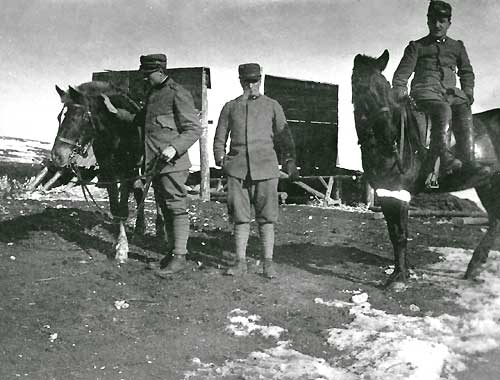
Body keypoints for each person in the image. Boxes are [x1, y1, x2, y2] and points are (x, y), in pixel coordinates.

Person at [213, 63, 299, 279]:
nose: (251, 86)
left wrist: (289, 160)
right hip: (238, 170)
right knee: (240, 218)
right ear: (241, 81)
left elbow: (284, 136)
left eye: (255, 81)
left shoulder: (272, 106)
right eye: (247, 81)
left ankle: (268, 264)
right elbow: (220, 137)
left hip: (266, 169)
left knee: (267, 218)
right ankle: (240, 262)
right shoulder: (230, 107)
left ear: (260, 81)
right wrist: (221, 159)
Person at [392, 0, 489, 183]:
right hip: (425, 93)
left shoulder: (457, 46)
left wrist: (467, 93)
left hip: (451, 94)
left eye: (442, 21)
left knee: (464, 110)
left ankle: (468, 160)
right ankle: (444, 159)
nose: (437, 25)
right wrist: (399, 90)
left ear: (448, 24)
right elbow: (401, 75)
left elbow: (466, 72)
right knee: (443, 110)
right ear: (428, 21)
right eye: (433, 20)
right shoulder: (416, 46)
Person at [136, 53, 202, 275]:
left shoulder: (178, 94)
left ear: (160, 71)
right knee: (165, 209)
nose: (145, 79)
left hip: (173, 164)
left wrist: (174, 147)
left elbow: (194, 129)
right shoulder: (153, 95)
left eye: (147, 75)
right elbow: (141, 122)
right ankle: (172, 253)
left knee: (176, 207)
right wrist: (115, 112)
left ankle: (180, 257)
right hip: (155, 164)